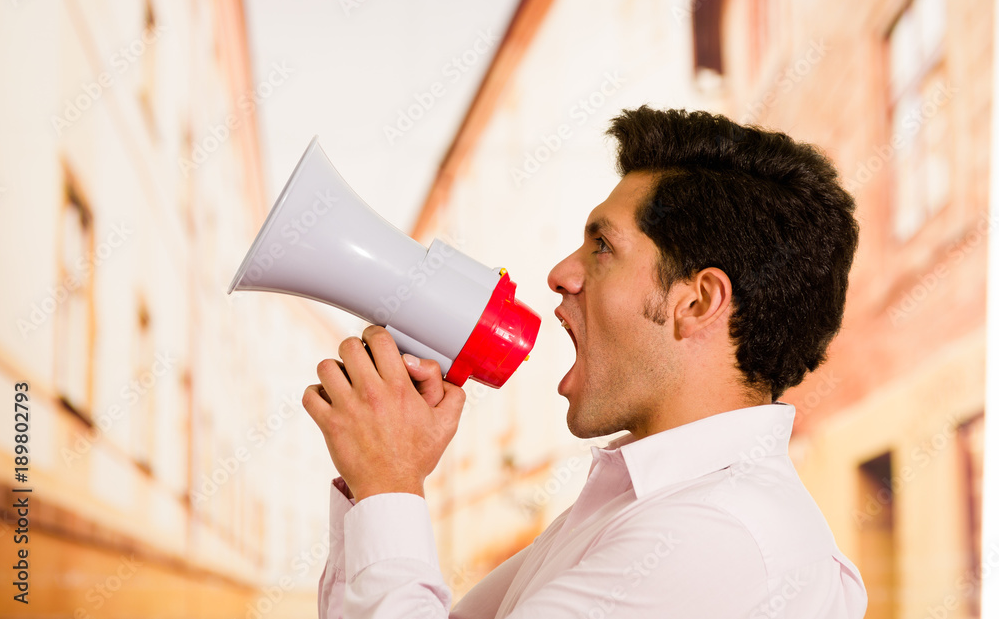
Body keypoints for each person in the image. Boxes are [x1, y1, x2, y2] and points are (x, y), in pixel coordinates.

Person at [301, 106, 868, 618]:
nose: (560, 274)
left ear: (696, 302)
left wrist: (390, 483)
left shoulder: (722, 534)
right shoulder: (638, 507)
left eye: (602, 246)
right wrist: (370, 480)